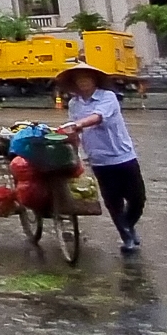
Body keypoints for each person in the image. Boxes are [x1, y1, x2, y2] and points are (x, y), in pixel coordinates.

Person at [61, 71, 146, 255]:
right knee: (113, 201)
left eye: (86, 78)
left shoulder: (108, 97)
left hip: (122, 155)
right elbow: (74, 133)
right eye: (79, 79)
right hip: (99, 160)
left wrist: (78, 124)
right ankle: (126, 236)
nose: (83, 82)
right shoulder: (74, 104)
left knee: (137, 199)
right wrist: (73, 152)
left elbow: (98, 117)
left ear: (94, 80)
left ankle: (128, 225)